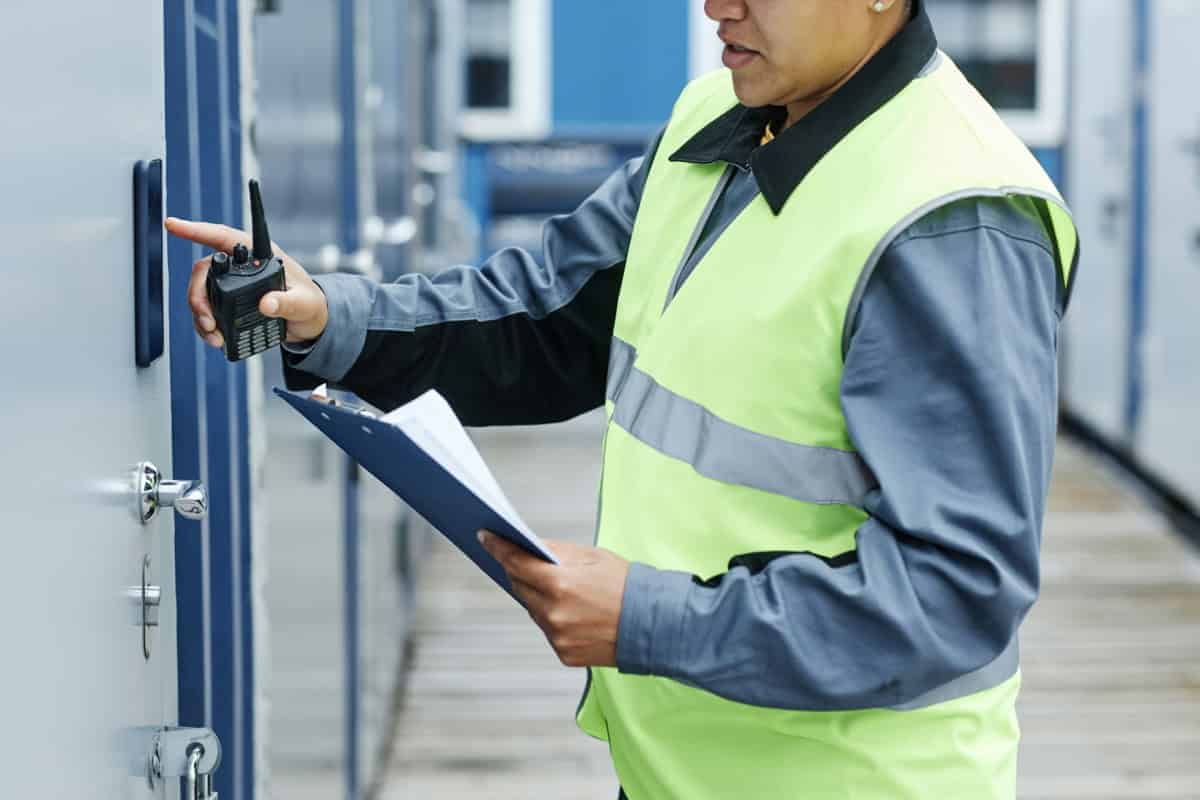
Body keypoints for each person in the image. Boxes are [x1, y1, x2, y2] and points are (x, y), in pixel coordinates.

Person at [168, 0, 1079, 797]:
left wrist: (647, 618)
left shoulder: (952, 217)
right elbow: (544, 317)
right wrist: (324, 314)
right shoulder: (719, 115)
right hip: (683, 768)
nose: (716, 6)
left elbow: (955, 590)